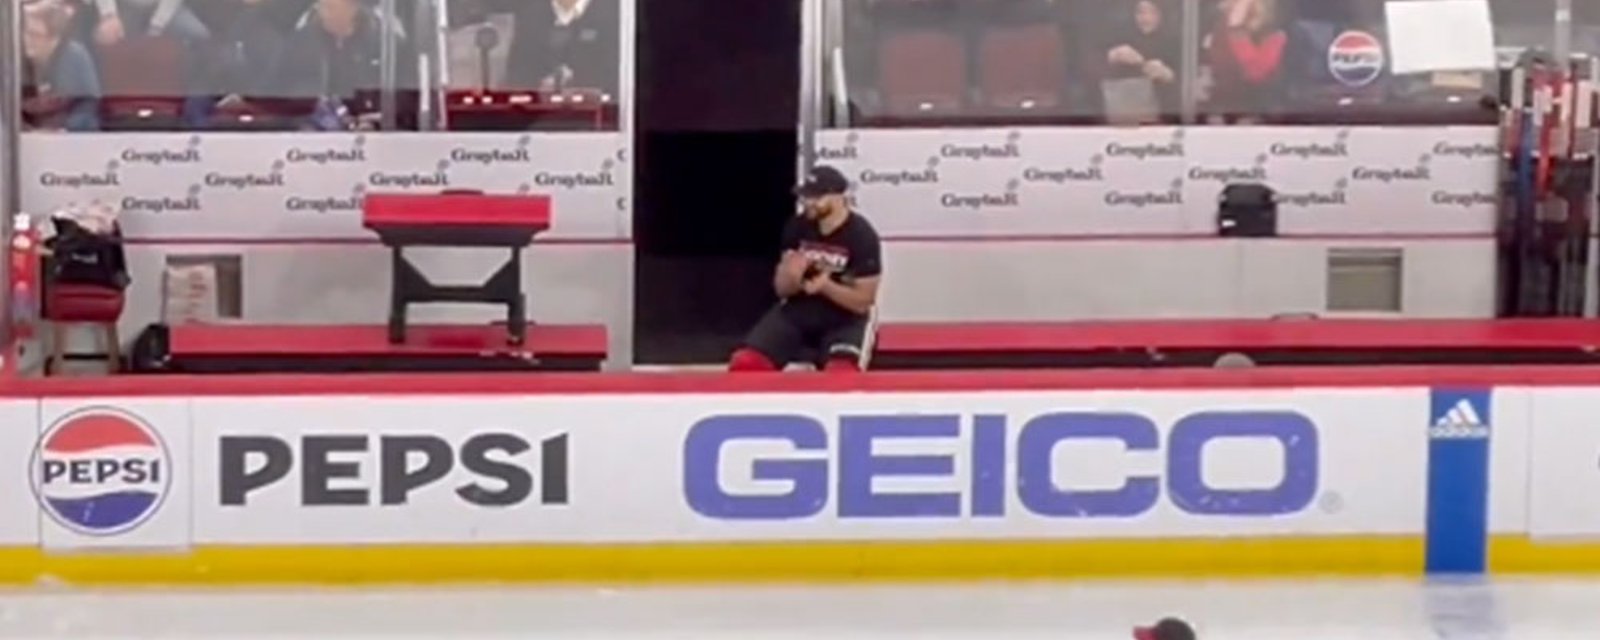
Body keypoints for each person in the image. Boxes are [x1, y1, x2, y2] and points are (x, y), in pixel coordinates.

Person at [729, 166, 883, 373]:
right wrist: (791, 276)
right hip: (800, 309)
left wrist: (825, 287)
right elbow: (781, 290)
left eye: (816, 197)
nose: (808, 203)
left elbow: (862, 302)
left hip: (845, 317)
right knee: (747, 364)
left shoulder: (862, 235)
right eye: (806, 197)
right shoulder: (798, 226)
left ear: (838, 197)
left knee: (841, 374)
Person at [491, 0, 619, 94]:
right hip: (541, 120)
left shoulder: (616, 12)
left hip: (599, 119)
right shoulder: (531, 15)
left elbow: (616, 77)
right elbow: (517, 77)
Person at [22, 0, 103, 132]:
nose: (27, 40)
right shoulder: (14, 57)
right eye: (25, 33)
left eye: (35, 35)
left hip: (70, 138)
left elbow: (88, 107)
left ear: (55, 39)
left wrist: (63, 129)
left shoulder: (76, 56)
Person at [1202, 0, 1285, 123]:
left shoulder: (1276, 37)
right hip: (1219, 108)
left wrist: (1237, 30)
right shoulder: (1218, 29)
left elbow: (1256, 73)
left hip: (1256, 113)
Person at [1100, 0, 1181, 121]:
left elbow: (1189, 82)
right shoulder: (1120, 35)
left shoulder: (1176, 41)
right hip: (1122, 115)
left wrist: (1167, 74)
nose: (1146, 18)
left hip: (1163, 118)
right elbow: (1091, 69)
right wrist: (1113, 55)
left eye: (1153, 12)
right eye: (1141, 12)